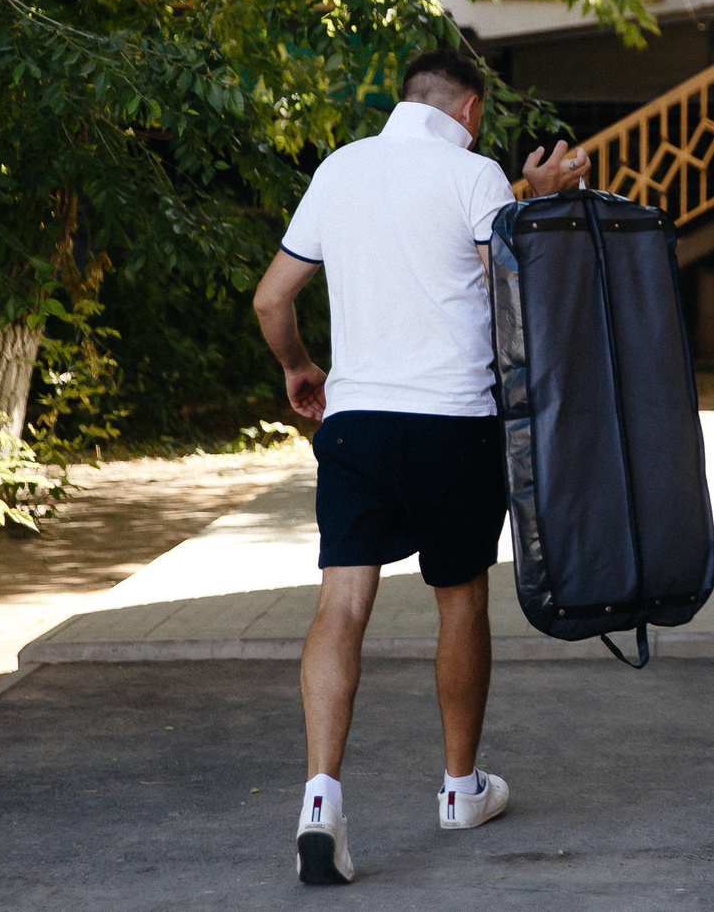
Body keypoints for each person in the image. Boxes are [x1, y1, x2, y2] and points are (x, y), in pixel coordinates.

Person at [252, 48, 585, 885]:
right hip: (453, 423)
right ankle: (459, 788)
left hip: (356, 423)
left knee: (343, 600)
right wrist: (532, 206)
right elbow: (512, 286)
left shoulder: (340, 169)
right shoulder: (473, 176)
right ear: (470, 110)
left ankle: (321, 800)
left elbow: (271, 298)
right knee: (460, 594)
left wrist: (299, 367)